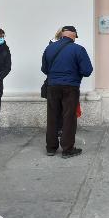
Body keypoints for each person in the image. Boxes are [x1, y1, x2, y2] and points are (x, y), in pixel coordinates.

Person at [42, 25, 93, 158]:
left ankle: (51, 148)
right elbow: (87, 71)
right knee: (69, 117)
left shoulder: (49, 47)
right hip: (70, 87)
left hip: (52, 86)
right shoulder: (78, 49)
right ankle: (67, 149)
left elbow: (44, 69)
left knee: (52, 117)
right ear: (74, 35)